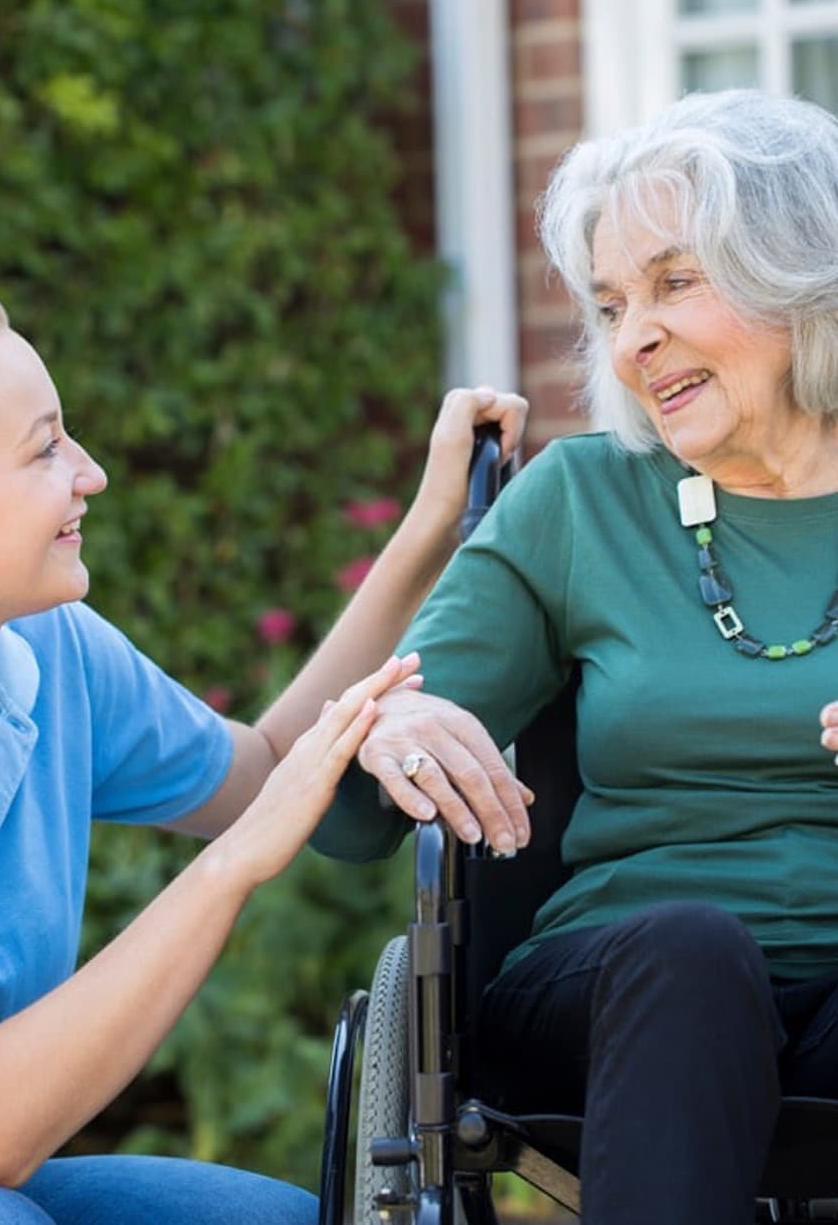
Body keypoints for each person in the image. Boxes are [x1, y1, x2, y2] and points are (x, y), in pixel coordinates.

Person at [314, 88, 838, 1224]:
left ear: (804, 277)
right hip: (623, 986)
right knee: (694, 954)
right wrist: (391, 729)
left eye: (675, 282)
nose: (632, 336)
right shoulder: (582, 501)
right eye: (609, 304)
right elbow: (344, 820)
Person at [0, 282, 528, 1225]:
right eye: (44, 448)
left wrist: (428, 528)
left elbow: (265, 765)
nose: (92, 472)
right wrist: (233, 866)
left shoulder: (51, 656)